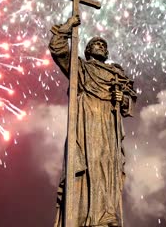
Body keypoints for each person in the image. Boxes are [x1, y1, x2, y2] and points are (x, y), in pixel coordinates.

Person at [49, 15, 136, 226]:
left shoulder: (116, 74)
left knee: (107, 167)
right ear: (88, 50)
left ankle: (105, 215)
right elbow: (59, 50)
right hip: (86, 122)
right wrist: (67, 28)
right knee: (88, 165)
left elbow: (128, 102)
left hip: (108, 124)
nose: (100, 45)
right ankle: (83, 215)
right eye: (95, 43)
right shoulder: (81, 68)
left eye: (103, 44)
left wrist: (121, 98)